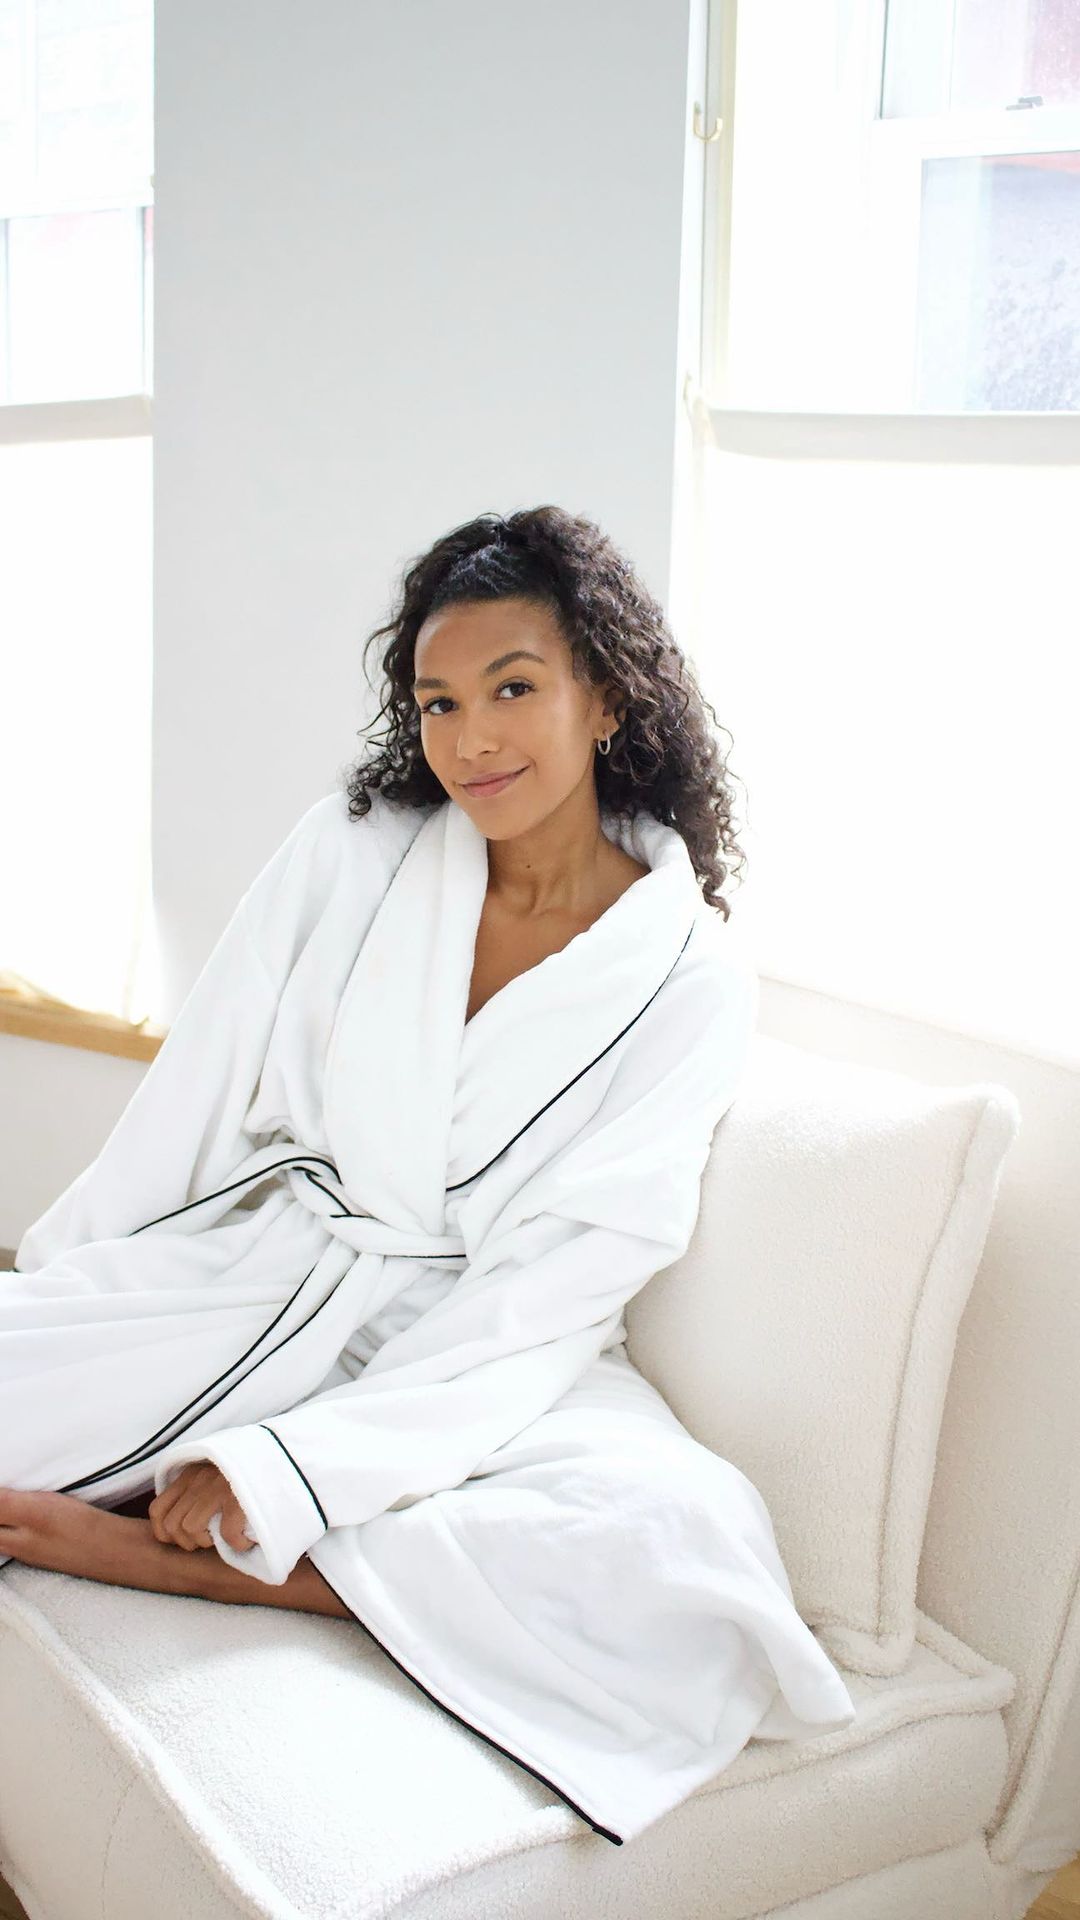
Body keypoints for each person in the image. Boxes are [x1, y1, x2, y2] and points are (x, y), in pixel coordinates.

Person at [0, 505, 856, 1845]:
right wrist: (79, 1290)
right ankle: (253, 1514)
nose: (470, 741)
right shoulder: (356, 852)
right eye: (439, 702)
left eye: (512, 689)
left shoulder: (687, 978)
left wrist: (302, 1464)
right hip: (268, 1272)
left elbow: (575, 1271)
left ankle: (212, 1559)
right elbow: (198, 1092)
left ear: (607, 696)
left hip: (491, 1342)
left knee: (682, 1555)